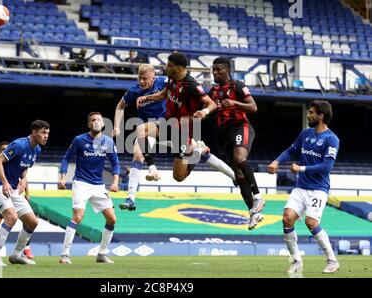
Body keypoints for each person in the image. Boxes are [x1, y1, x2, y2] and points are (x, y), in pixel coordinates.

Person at [137, 52, 236, 184]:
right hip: (167, 124)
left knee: (179, 177)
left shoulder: (192, 85)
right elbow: (163, 95)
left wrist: (204, 112)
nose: (166, 67)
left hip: (183, 133)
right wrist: (147, 97)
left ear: (179, 69)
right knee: (141, 129)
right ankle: (152, 168)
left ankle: (198, 152)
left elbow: (211, 104)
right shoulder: (172, 79)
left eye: (169, 65)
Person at [267, 100, 340, 274]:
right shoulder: (305, 134)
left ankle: (332, 260)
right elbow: (292, 150)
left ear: (320, 116)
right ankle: (296, 261)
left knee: (311, 222)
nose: (308, 115)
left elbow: (326, 167)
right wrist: (277, 161)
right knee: (287, 218)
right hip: (301, 187)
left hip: (318, 189)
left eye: (311, 112)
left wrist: (301, 168)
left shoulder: (332, 139)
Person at [209, 57, 265, 230]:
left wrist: (234, 103)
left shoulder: (238, 86)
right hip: (224, 134)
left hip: (241, 127)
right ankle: (253, 213)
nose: (215, 72)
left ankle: (258, 196)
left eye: (218, 69)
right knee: (238, 176)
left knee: (240, 158)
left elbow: (254, 107)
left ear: (227, 70)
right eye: (213, 70)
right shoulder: (213, 91)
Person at [58, 112, 120, 264]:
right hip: (81, 183)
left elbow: (115, 163)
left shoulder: (108, 142)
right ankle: (64, 255)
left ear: (103, 124)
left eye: (99, 120)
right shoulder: (79, 140)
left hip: (98, 185)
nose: (96, 122)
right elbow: (66, 158)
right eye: (93, 120)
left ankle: (102, 254)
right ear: (89, 124)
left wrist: (115, 182)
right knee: (78, 216)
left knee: (112, 219)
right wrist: (63, 176)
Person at [0, 120, 50, 266]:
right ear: (34, 132)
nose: (46, 136)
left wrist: (24, 179)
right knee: (11, 217)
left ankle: (16, 255)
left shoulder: (37, 150)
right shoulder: (20, 145)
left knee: (32, 222)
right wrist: (4, 182)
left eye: (47, 133)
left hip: (14, 189)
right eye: (43, 132)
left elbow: (24, 167)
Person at [113, 64, 167, 211]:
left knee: (195, 150)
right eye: (140, 78)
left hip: (167, 123)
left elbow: (180, 83)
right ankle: (130, 198)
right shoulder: (133, 90)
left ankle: (152, 168)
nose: (142, 82)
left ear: (153, 78)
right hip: (147, 130)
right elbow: (120, 107)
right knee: (137, 156)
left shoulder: (162, 82)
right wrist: (116, 126)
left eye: (145, 79)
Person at [0, 141, 34, 260]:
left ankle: (25, 249)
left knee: (29, 221)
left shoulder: (16, 161)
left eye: (7, 149)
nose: (5, 151)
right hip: (0, 191)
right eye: (3, 149)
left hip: (13, 192)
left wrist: (27, 192)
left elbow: (23, 175)